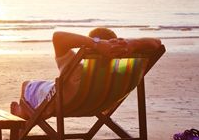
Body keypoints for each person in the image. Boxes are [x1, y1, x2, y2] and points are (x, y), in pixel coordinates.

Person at [11, 28, 162, 119]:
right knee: (48, 86)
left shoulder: (77, 70)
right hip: (101, 103)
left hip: (63, 102)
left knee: (27, 85)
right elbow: (157, 43)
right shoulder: (123, 72)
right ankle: (24, 110)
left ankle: (22, 113)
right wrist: (132, 44)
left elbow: (58, 37)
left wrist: (95, 43)